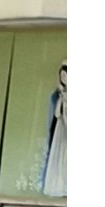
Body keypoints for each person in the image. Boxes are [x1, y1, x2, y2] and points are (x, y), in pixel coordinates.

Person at [41, 60, 66, 197]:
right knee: (59, 156)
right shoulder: (58, 95)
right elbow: (57, 114)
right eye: (62, 76)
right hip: (61, 130)